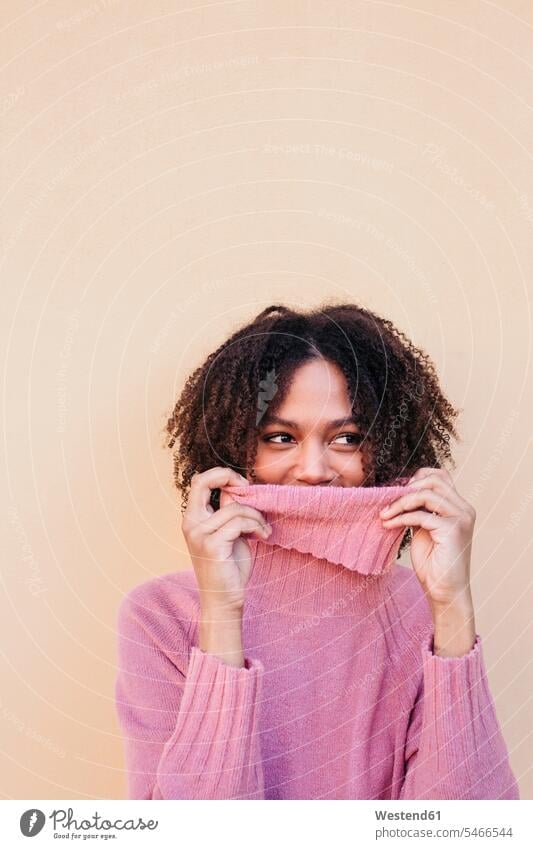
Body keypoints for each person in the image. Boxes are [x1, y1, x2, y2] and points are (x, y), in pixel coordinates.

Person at [114, 301, 519, 799]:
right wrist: (222, 615)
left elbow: (468, 829)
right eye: (280, 437)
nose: (313, 469)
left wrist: (453, 605)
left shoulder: (417, 611)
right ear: (231, 448)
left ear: (388, 451)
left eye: (347, 438)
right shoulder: (160, 618)